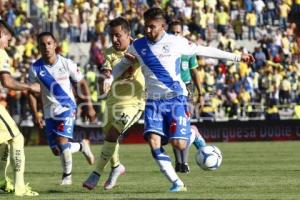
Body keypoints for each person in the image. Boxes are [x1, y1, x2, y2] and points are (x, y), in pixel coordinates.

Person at [109, 7, 253, 192]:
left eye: (152, 27)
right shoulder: (138, 46)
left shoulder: (177, 42)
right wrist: (108, 78)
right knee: (154, 142)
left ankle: (192, 134)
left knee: (179, 144)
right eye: (146, 26)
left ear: (163, 26)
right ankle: (176, 183)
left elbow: (204, 50)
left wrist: (237, 57)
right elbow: (121, 66)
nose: (147, 30)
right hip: (153, 101)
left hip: (175, 98)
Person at [83, 17, 145, 190]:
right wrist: (107, 78)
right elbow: (107, 70)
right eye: (112, 36)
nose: (115, 40)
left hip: (134, 103)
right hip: (112, 102)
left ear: (128, 34)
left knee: (112, 133)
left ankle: (95, 173)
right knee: (109, 138)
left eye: (118, 35)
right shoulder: (109, 52)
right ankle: (116, 167)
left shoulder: (141, 48)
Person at [28, 32, 96, 185]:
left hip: (67, 107)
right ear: (38, 47)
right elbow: (31, 92)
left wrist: (89, 106)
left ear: (55, 44)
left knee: (61, 140)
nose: (46, 47)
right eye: (43, 44)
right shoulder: (35, 68)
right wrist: (36, 113)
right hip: (48, 111)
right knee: (57, 150)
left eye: (49, 43)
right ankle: (82, 146)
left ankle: (67, 177)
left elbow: (82, 83)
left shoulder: (66, 63)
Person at [0, 20, 39, 196]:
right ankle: (19, 187)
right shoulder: (1, 53)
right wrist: (30, 87)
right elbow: (7, 82)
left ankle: (1, 181)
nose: (9, 43)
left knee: (4, 142)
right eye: (7, 38)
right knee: (17, 138)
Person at [168, 20, 206, 173]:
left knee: (182, 126)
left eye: (178, 32)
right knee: (173, 127)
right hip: (170, 89)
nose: (176, 34)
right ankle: (179, 162)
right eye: (173, 32)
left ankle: (184, 162)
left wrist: (201, 93)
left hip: (187, 88)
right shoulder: (165, 49)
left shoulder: (188, 49)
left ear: (182, 33)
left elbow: (195, 72)